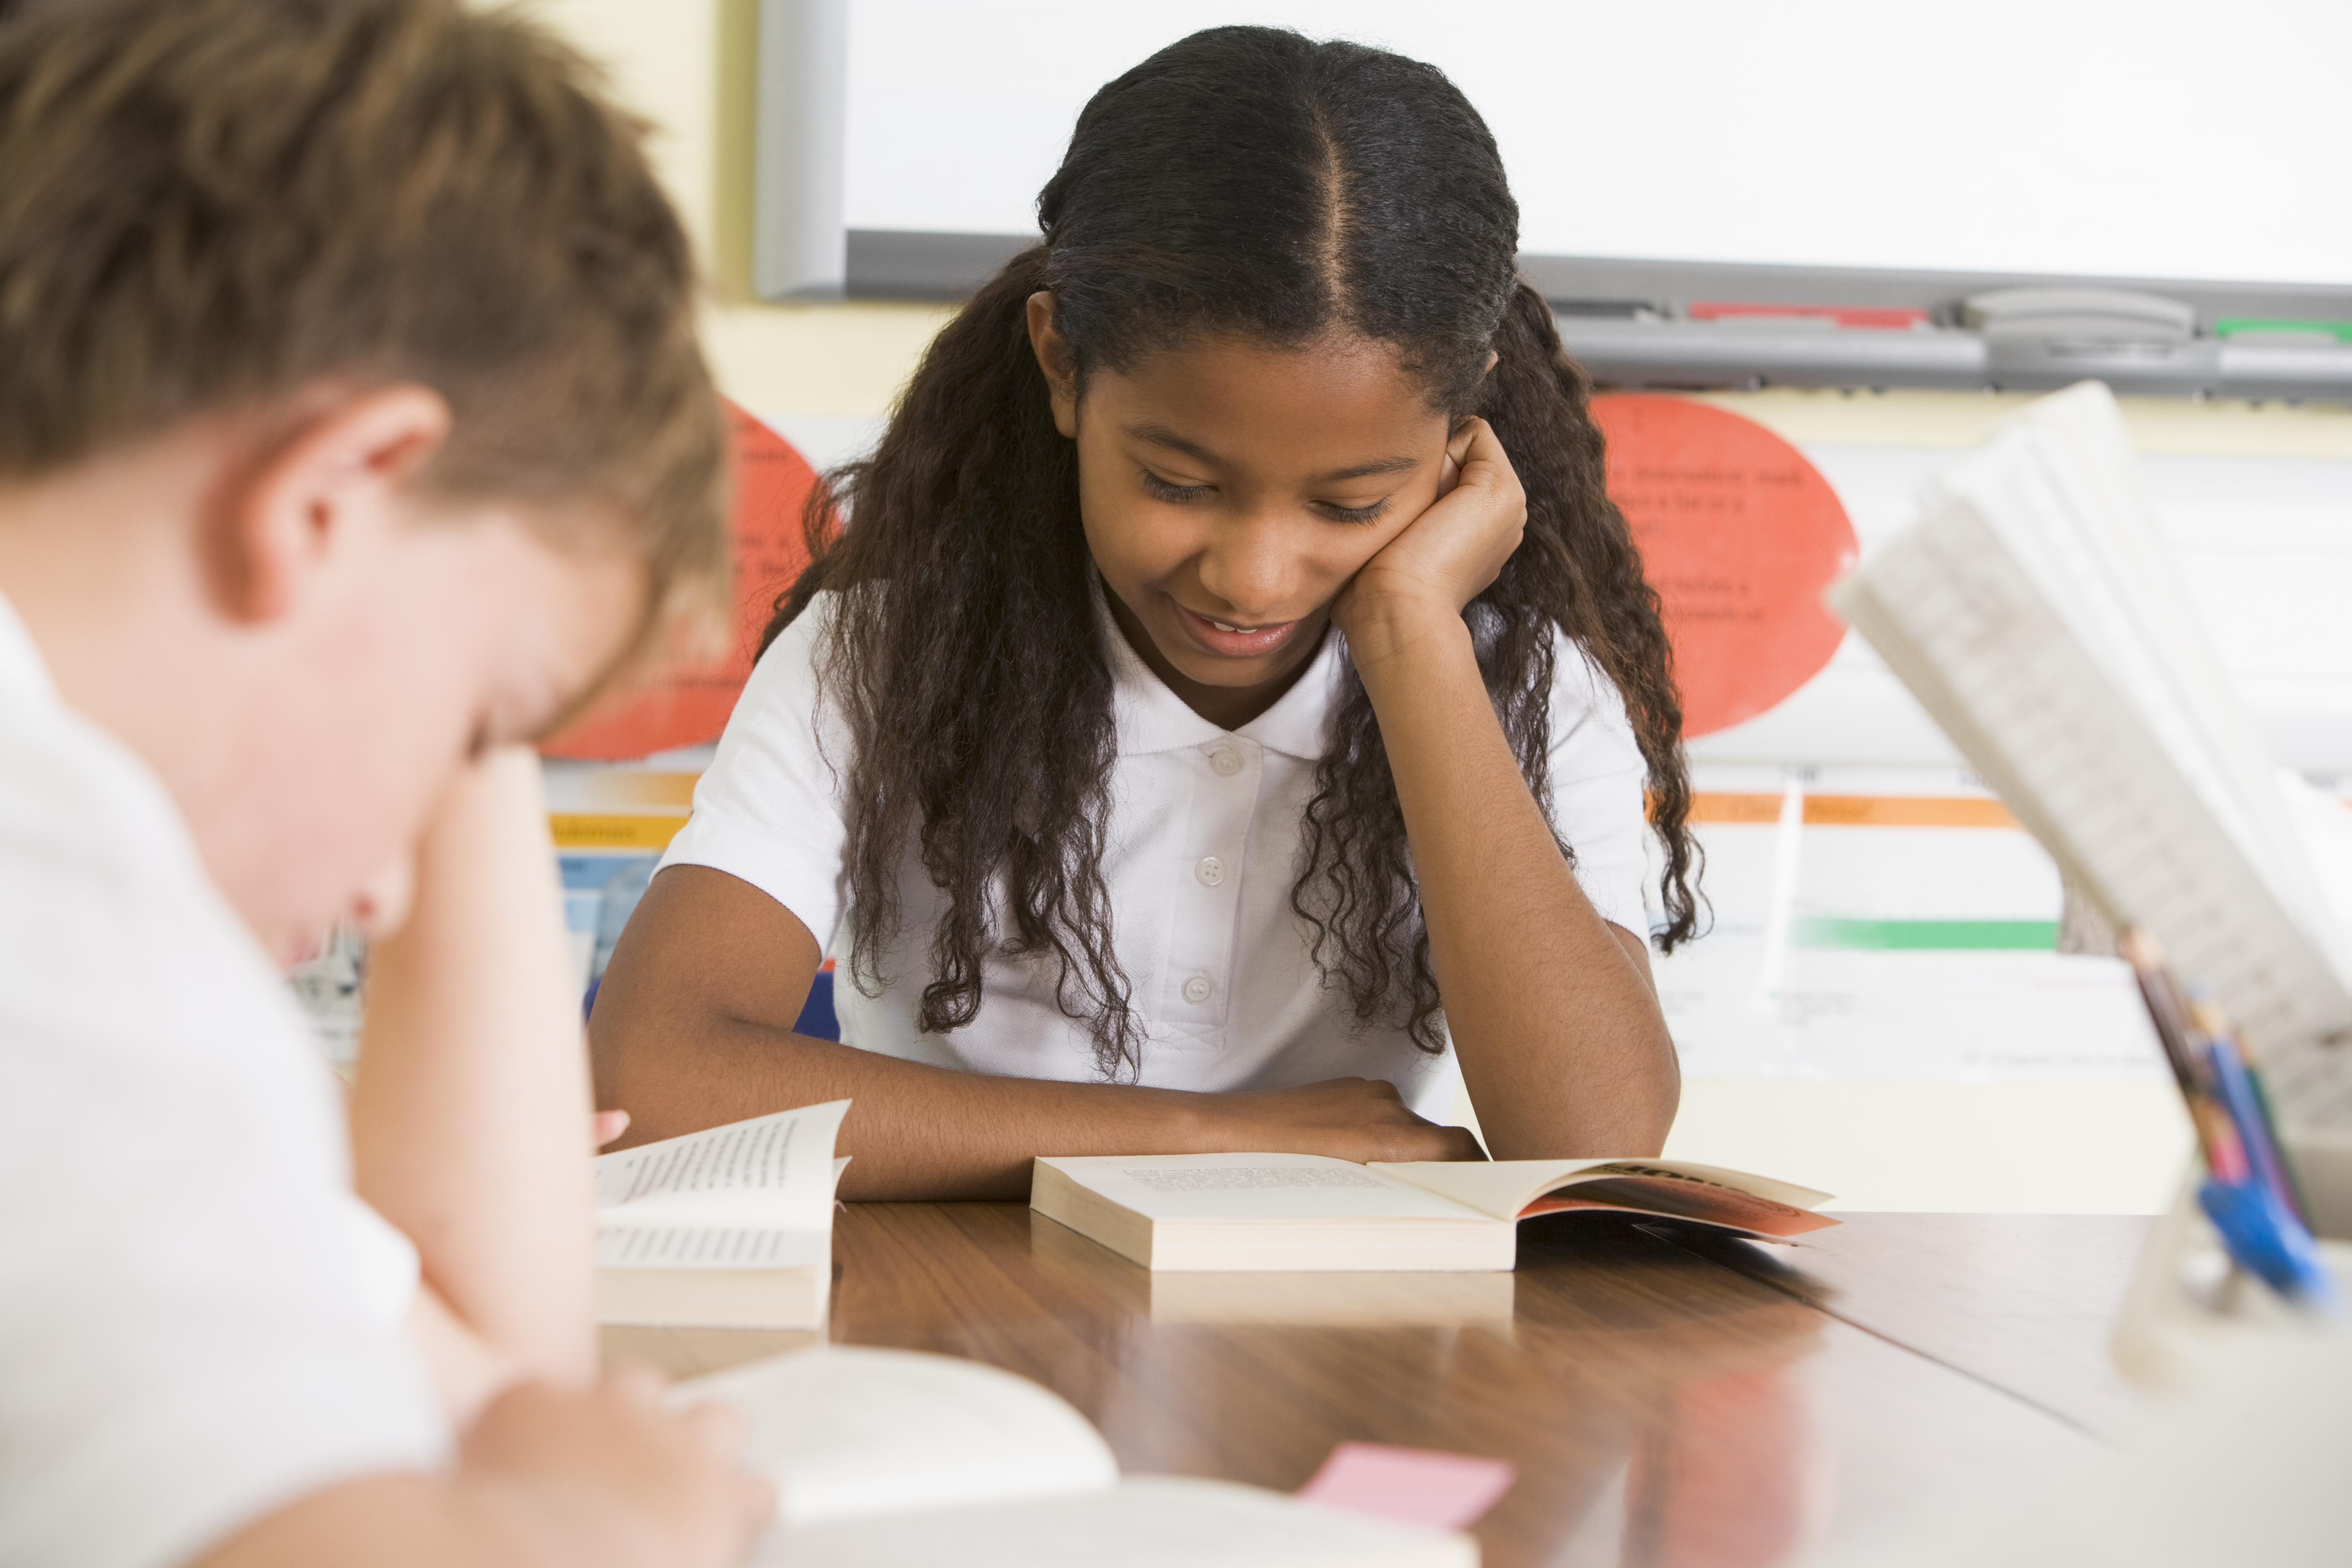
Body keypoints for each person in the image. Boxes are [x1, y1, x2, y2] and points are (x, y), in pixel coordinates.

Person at [591, 25, 1701, 1200]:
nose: (1253, 576)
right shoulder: (880, 658)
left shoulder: (1528, 689)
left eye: (1349, 502)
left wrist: (1412, 631)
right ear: (1064, 366)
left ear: (1457, 434)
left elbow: (1594, 1136)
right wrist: (1203, 1136)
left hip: (1345, 1351)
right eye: (1179, 484)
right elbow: (651, 1084)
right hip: (961, 1328)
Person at [0, 1, 771, 1564]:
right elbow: (505, 1454)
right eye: (482, 727)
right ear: (333, 490)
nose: (388, 887)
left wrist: (435, 673)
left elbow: (477, 1362)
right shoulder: (63, 891)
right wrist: (611, 1531)